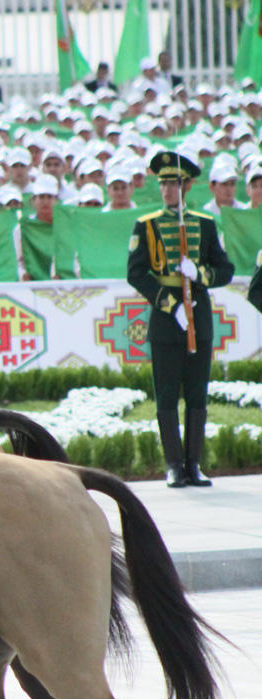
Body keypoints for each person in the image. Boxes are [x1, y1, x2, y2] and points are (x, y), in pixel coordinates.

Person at [127, 152, 234, 488]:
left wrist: (199, 273)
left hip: (198, 316)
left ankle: (194, 464)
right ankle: (174, 464)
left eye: (173, 183)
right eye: (162, 184)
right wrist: (169, 303)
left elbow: (226, 271)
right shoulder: (146, 225)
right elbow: (136, 273)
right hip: (165, 318)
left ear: (186, 186)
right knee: (168, 394)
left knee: (198, 395)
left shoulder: (204, 223)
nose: (167, 190)